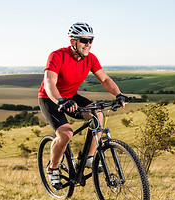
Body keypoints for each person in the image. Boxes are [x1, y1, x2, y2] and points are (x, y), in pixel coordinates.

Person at [38, 22, 129, 190]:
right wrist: (60, 101)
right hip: (50, 98)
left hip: (72, 96)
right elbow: (49, 82)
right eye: (83, 40)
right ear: (73, 41)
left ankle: (89, 157)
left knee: (98, 114)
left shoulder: (91, 58)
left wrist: (118, 94)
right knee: (66, 134)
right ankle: (53, 167)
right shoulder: (57, 55)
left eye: (90, 40)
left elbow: (105, 79)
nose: (88, 44)